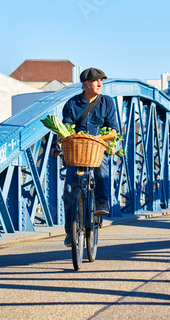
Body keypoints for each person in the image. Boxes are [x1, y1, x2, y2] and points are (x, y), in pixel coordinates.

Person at [57, 68, 119, 247]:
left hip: (97, 147)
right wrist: (58, 144)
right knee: (69, 190)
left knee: (102, 165)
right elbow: (66, 129)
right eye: (96, 81)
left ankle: (102, 203)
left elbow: (113, 130)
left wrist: (101, 139)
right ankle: (70, 232)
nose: (100, 84)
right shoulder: (71, 104)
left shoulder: (107, 102)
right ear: (85, 84)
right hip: (77, 149)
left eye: (102, 81)